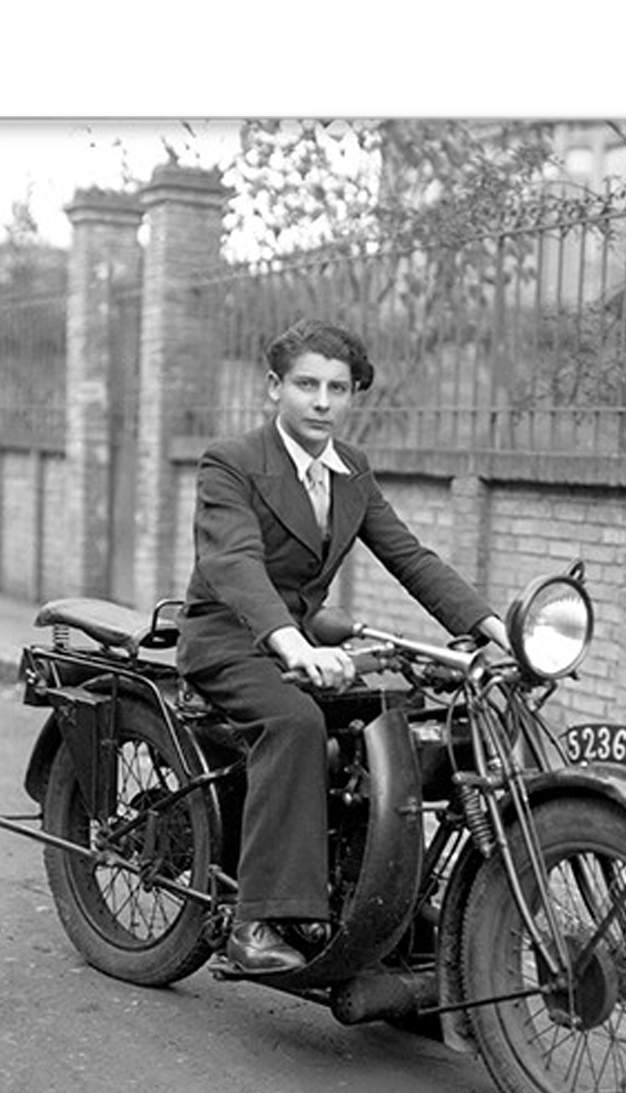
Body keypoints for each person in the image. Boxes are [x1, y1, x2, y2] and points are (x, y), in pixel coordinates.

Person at [177, 318, 509, 976]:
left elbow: (409, 557)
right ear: (274, 387)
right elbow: (236, 563)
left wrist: (494, 626)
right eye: (306, 384)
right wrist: (290, 641)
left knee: (399, 722)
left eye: (338, 387)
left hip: (305, 638)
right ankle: (259, 920)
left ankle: (384, 898)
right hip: (230, 638)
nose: (323, 401)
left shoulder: (351, 470)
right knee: (294, 723)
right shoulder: (233, 462)